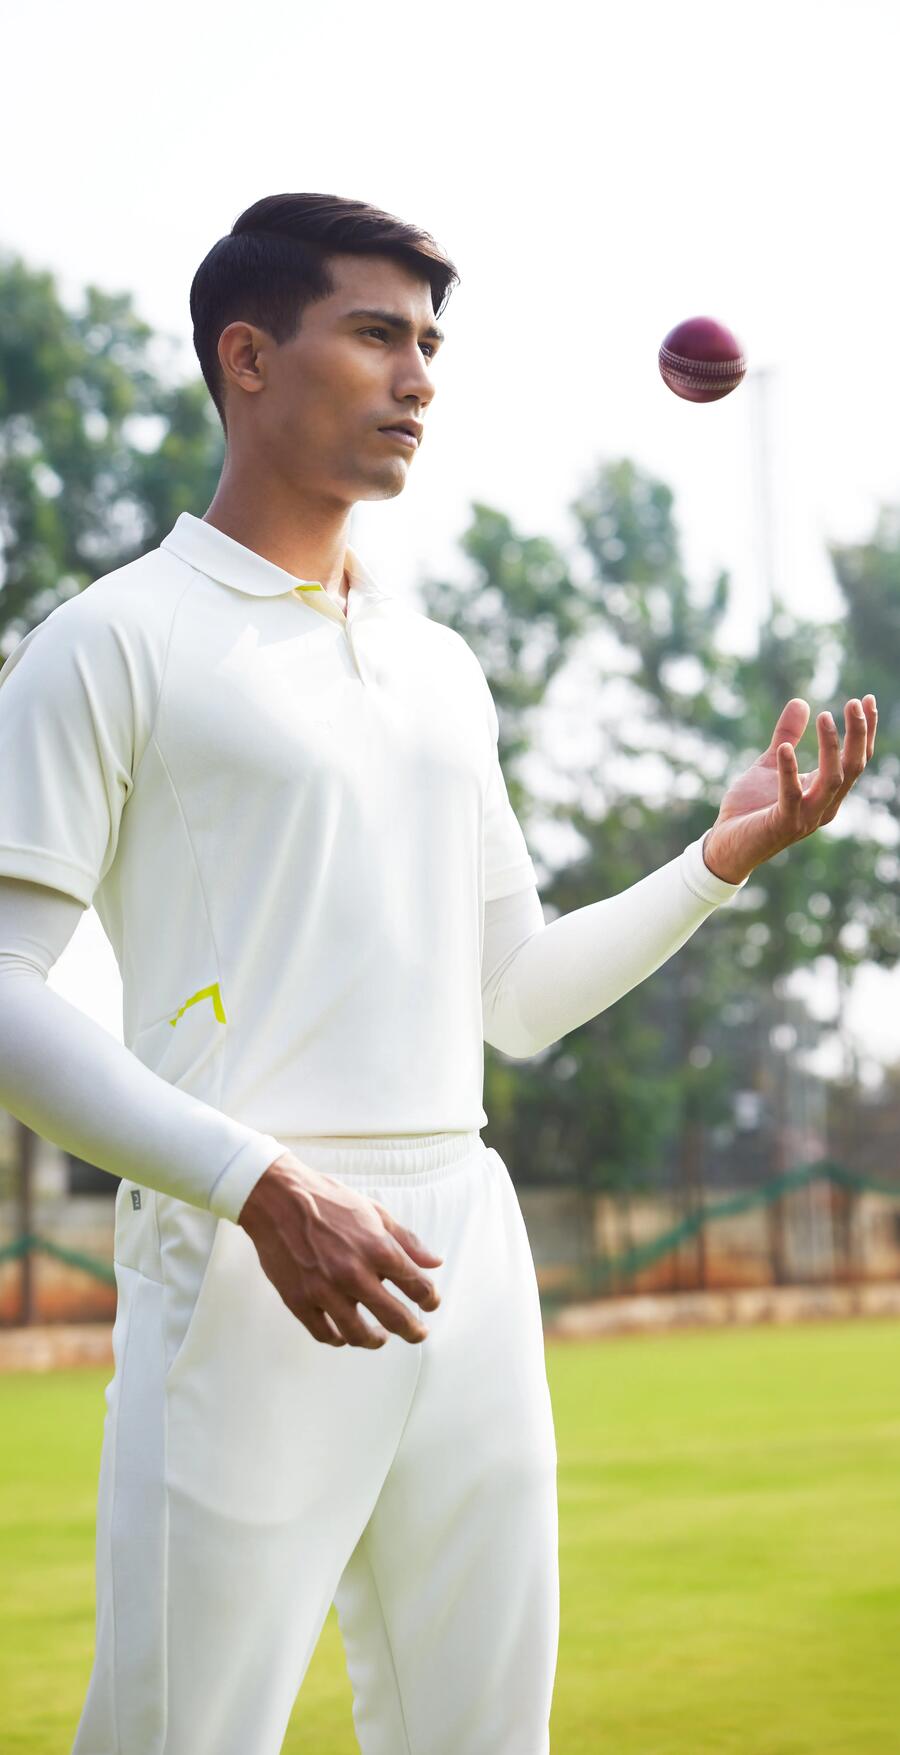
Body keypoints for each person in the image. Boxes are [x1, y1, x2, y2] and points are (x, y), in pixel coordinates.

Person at [0, 192, 877, 1755]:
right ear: (249, 357)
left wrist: (716, 860)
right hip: (245, 1257)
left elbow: (517, 999)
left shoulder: (437, 666)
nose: (419, 377)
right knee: (175, 1738)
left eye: (431, 345)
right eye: (378, 334)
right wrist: (259, 1185)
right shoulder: (109, 642)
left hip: (463, 1251)